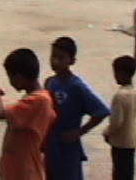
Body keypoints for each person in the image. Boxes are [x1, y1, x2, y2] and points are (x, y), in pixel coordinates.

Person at [45, 36, 110, 180]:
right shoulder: (50, 83)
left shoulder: (76, 86)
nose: (55, 61)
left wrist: (80, 131)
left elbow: (102, 111)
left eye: (61, 58)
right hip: (51, 144)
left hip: (68, 147)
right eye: (53, 57)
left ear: (72, 60)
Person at [0, 48, 56, 180]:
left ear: (18, 77)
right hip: (17, 166)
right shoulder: (39, 97)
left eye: (10, 76)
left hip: (24, 170)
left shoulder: (37, 100)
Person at [103, 55, 136, 180]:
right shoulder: (134, 92)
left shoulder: (120, 96)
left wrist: (107, 132)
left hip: (120, 142)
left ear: (121, 73)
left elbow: (116, 122)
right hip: (131, 140)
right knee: (127, 173)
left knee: (119, 173)